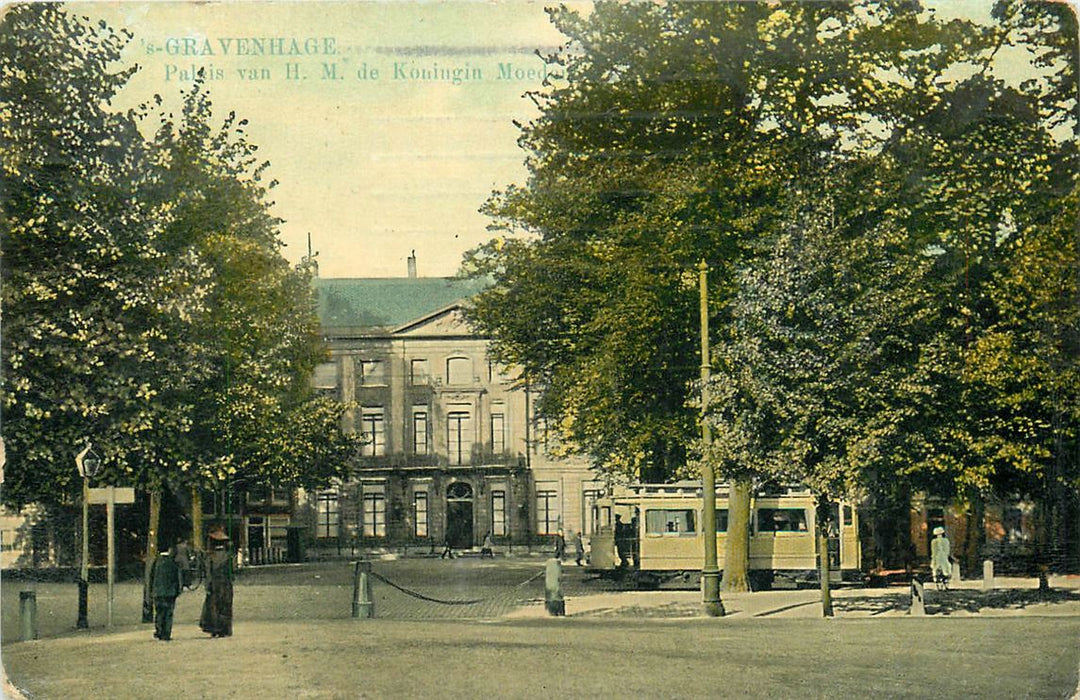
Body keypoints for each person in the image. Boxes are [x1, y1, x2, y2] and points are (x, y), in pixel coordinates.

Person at [200, 527, 234, 638]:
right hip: (226, 584)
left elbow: (208, 573)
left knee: (213, 606)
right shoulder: (228, 556)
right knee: (225, 605)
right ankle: (225, 629)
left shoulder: (209, 556)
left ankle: (214, 628)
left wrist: (207, 585)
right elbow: (232, 572)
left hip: (214, 584)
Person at [150, 541, 183, 641]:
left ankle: (159, 630)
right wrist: (178, 590)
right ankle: (166, 633)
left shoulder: (156, 562)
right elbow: (177, 578)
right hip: (170, 592)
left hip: (158, 592)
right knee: (168, 612)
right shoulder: (173, 562)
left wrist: (152, 590)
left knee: (159, 612)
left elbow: (151, 577)